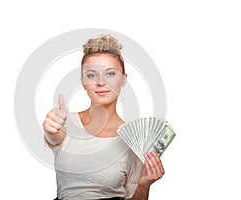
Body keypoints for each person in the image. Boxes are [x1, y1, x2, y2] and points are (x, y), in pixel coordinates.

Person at [43, 34, 165, 200]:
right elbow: (53, 137)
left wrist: (144, 185)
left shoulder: (133, 139)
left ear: (123, 79)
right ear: (83, 81)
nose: (101, 82)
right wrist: (50, 130)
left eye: (110, 74)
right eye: (92, 75)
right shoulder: (64, 123)